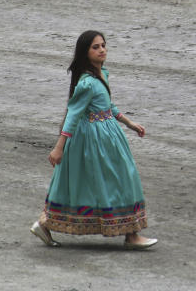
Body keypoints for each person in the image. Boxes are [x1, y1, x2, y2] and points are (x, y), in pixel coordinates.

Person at [31, 31, 157, 249]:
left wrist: (130, 124)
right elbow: (73, 115)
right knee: (117, 179)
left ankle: (130, 234)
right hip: (93, 140)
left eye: (103, 45)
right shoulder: (87, 83)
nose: (102, 50)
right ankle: (130, 235)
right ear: (85, 53)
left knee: (114, 179)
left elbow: (108, 106)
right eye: (95, 47)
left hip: (108, 137)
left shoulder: (102, 75)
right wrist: (59, 148)